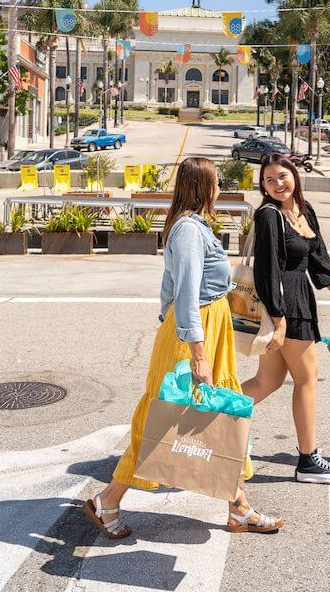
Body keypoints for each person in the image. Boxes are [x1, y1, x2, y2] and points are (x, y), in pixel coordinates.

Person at [84, 157, 284, 539]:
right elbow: (186, 292)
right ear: (203, 187)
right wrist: (196, 352)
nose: (219, 187)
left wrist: (175, 321)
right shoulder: (190, 230)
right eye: (216, 181)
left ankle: (238, 506)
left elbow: (169, 288)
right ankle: (107, 499)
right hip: (196, 332)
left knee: (222, 414)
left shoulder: (194, 227)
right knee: (163, 420)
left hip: (209, 327)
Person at [241, 154, 330, 484]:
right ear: (263, 187)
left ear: (294, 174)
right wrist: (278, 319)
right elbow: (267, 271)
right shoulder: (268, 215)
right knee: (307, 379)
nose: (278, 184)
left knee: (267, 382)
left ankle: (214, 418)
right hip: (285, 305)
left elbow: (320, 262)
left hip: (298, 301)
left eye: (282, 176)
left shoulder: (305, 213)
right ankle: (308, 460)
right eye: (269, 180)